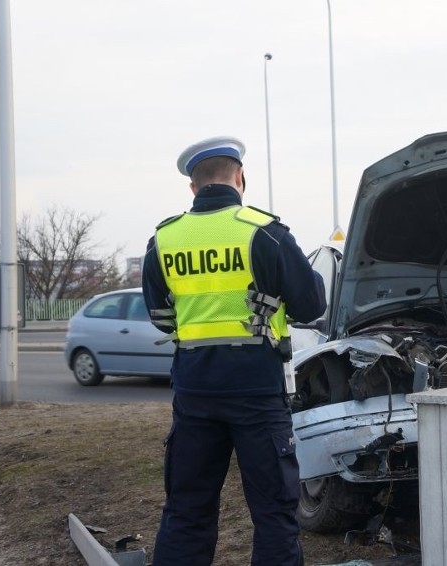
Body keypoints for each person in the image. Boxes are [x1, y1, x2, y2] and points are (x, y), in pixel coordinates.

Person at [142, 136, 326, 565]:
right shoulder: (265, 232)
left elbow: (161, 317)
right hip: (258, 392)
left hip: (195, 392)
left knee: (187, 509)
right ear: (240, 177)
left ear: (193, 187)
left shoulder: (164, 240)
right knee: (273, 514)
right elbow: (311, 307)